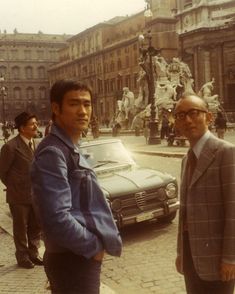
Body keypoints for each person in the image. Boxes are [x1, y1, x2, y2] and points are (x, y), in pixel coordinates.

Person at [31, 79, 122, 294]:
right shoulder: (53, 152)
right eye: (74, 104)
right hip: (73, 258)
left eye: (87, 104)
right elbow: (56, 218)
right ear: (56, 108)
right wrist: (93, 248)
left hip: (74, 256)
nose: (83, 111)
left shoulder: (69, 146)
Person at [174, 94, 235, 294]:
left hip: (218, 261)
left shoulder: (226, 152)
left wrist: (230, 258)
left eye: (193, 113)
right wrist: (181, 252)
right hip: (192, 258)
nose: (187, 120)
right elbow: (184, 212)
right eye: (181, 115)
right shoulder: (186, 159)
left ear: (209, 117)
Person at [0, 112, 42, 269]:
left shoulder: (36, 143)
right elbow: (2, 172)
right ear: (22, 128)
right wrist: (16, 185)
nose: (36, 126)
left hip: (35, 194)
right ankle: (22, 257)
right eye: (32, 124)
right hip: (18, 195)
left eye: (36, 123)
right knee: (20, 228)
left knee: (35, 225)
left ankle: (34, 253)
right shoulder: (10, 147)